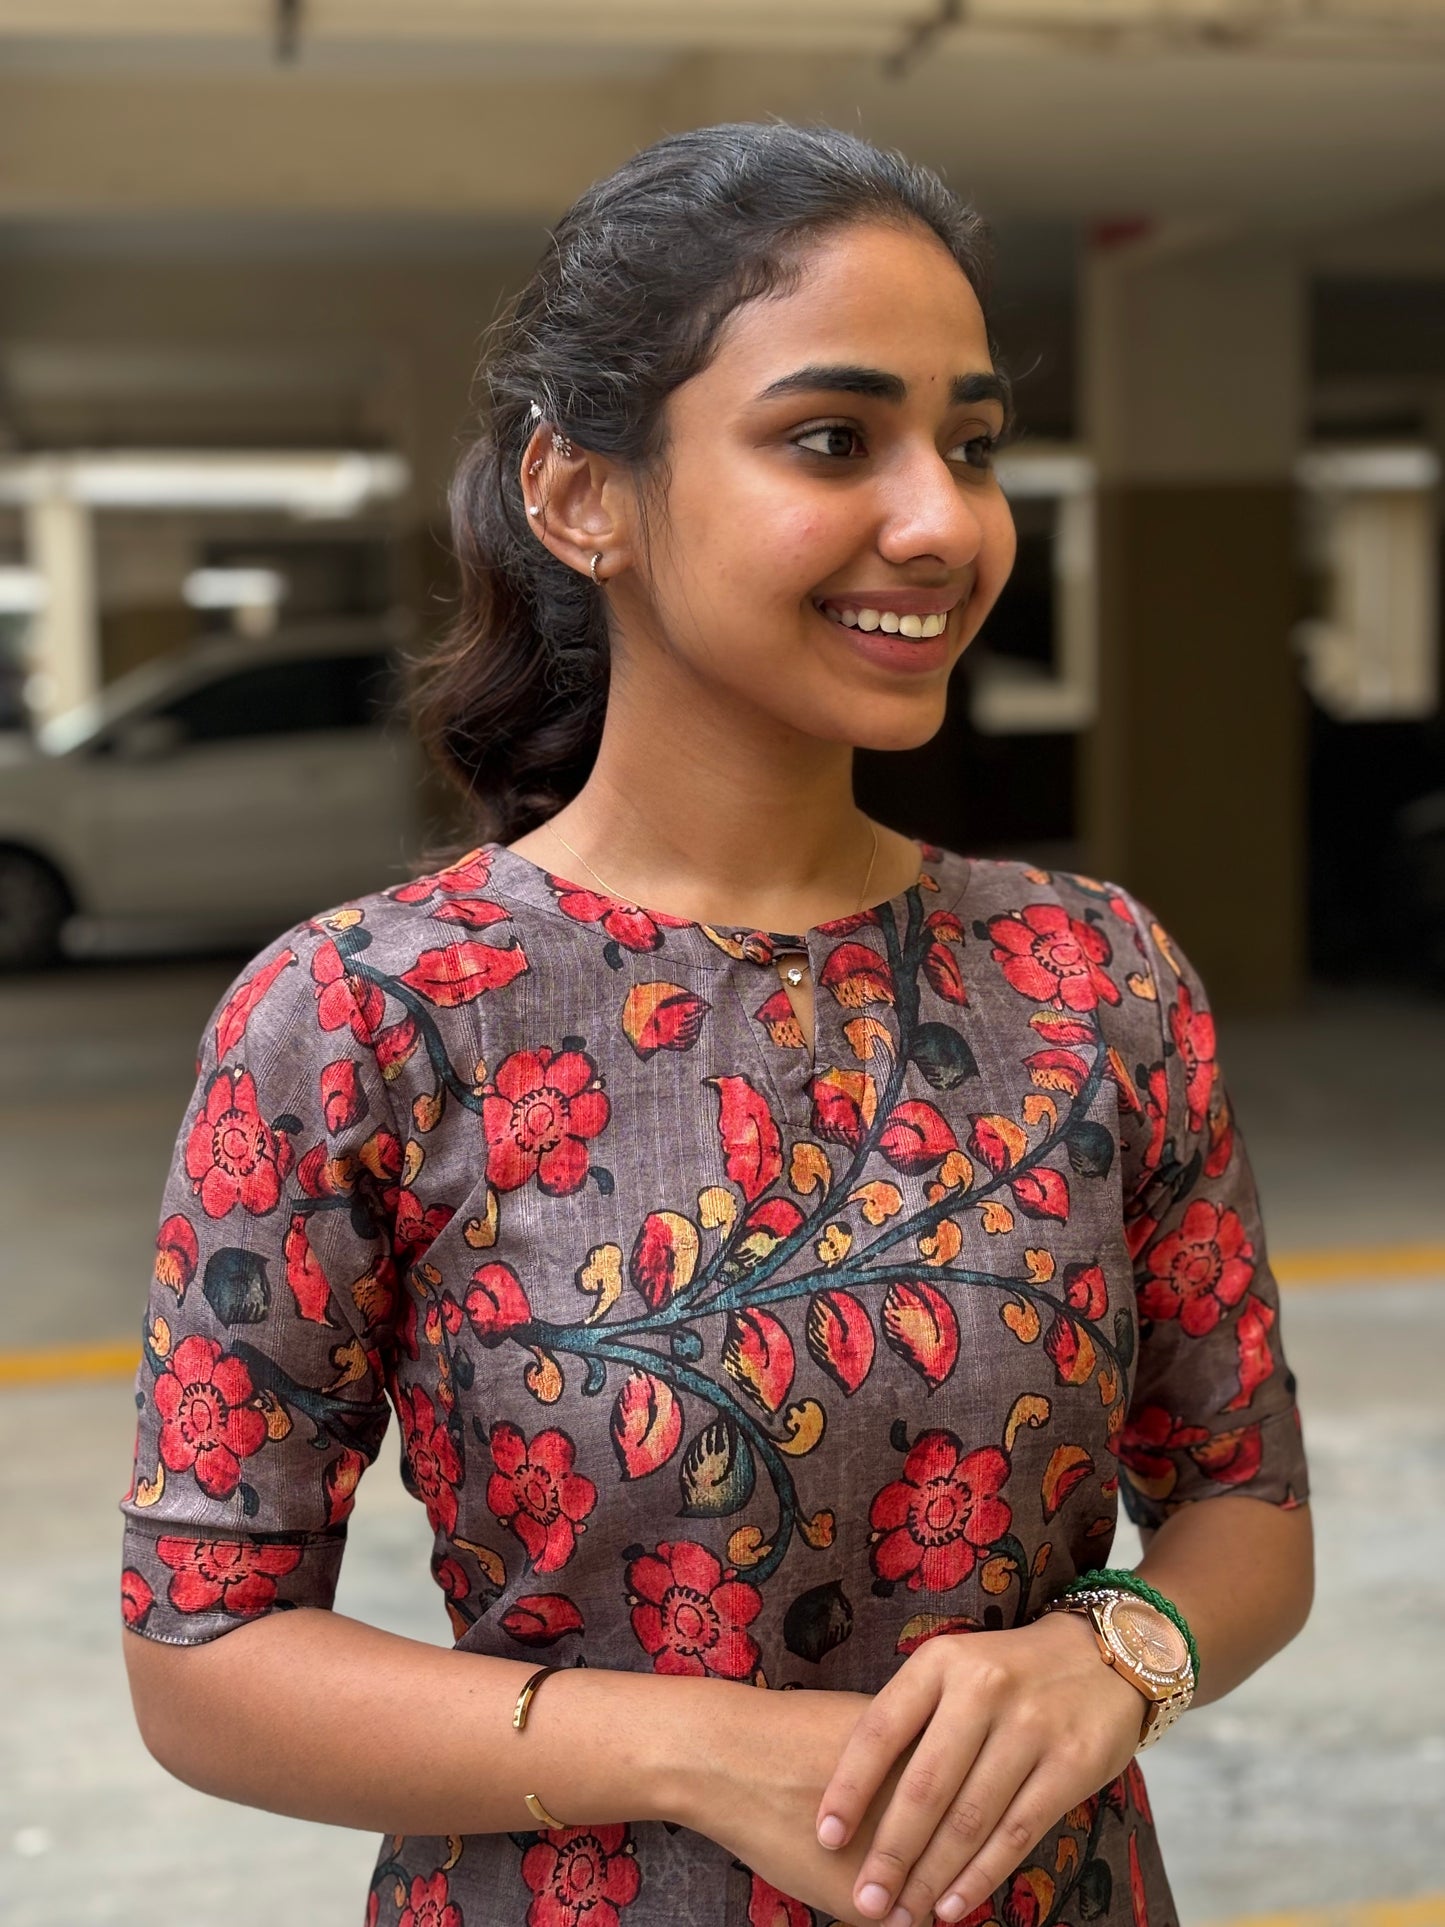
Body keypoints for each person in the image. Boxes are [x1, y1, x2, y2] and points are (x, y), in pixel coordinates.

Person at [121, 122, 1312, 1927]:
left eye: (971, 446)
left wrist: (1116, 1650)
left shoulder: (1093, 982)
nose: (940, 520)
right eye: (832, 439)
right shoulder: (363, 1016)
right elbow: (203, 1656)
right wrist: (689, 1750)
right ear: (581, 495)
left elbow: (1247, 1512)